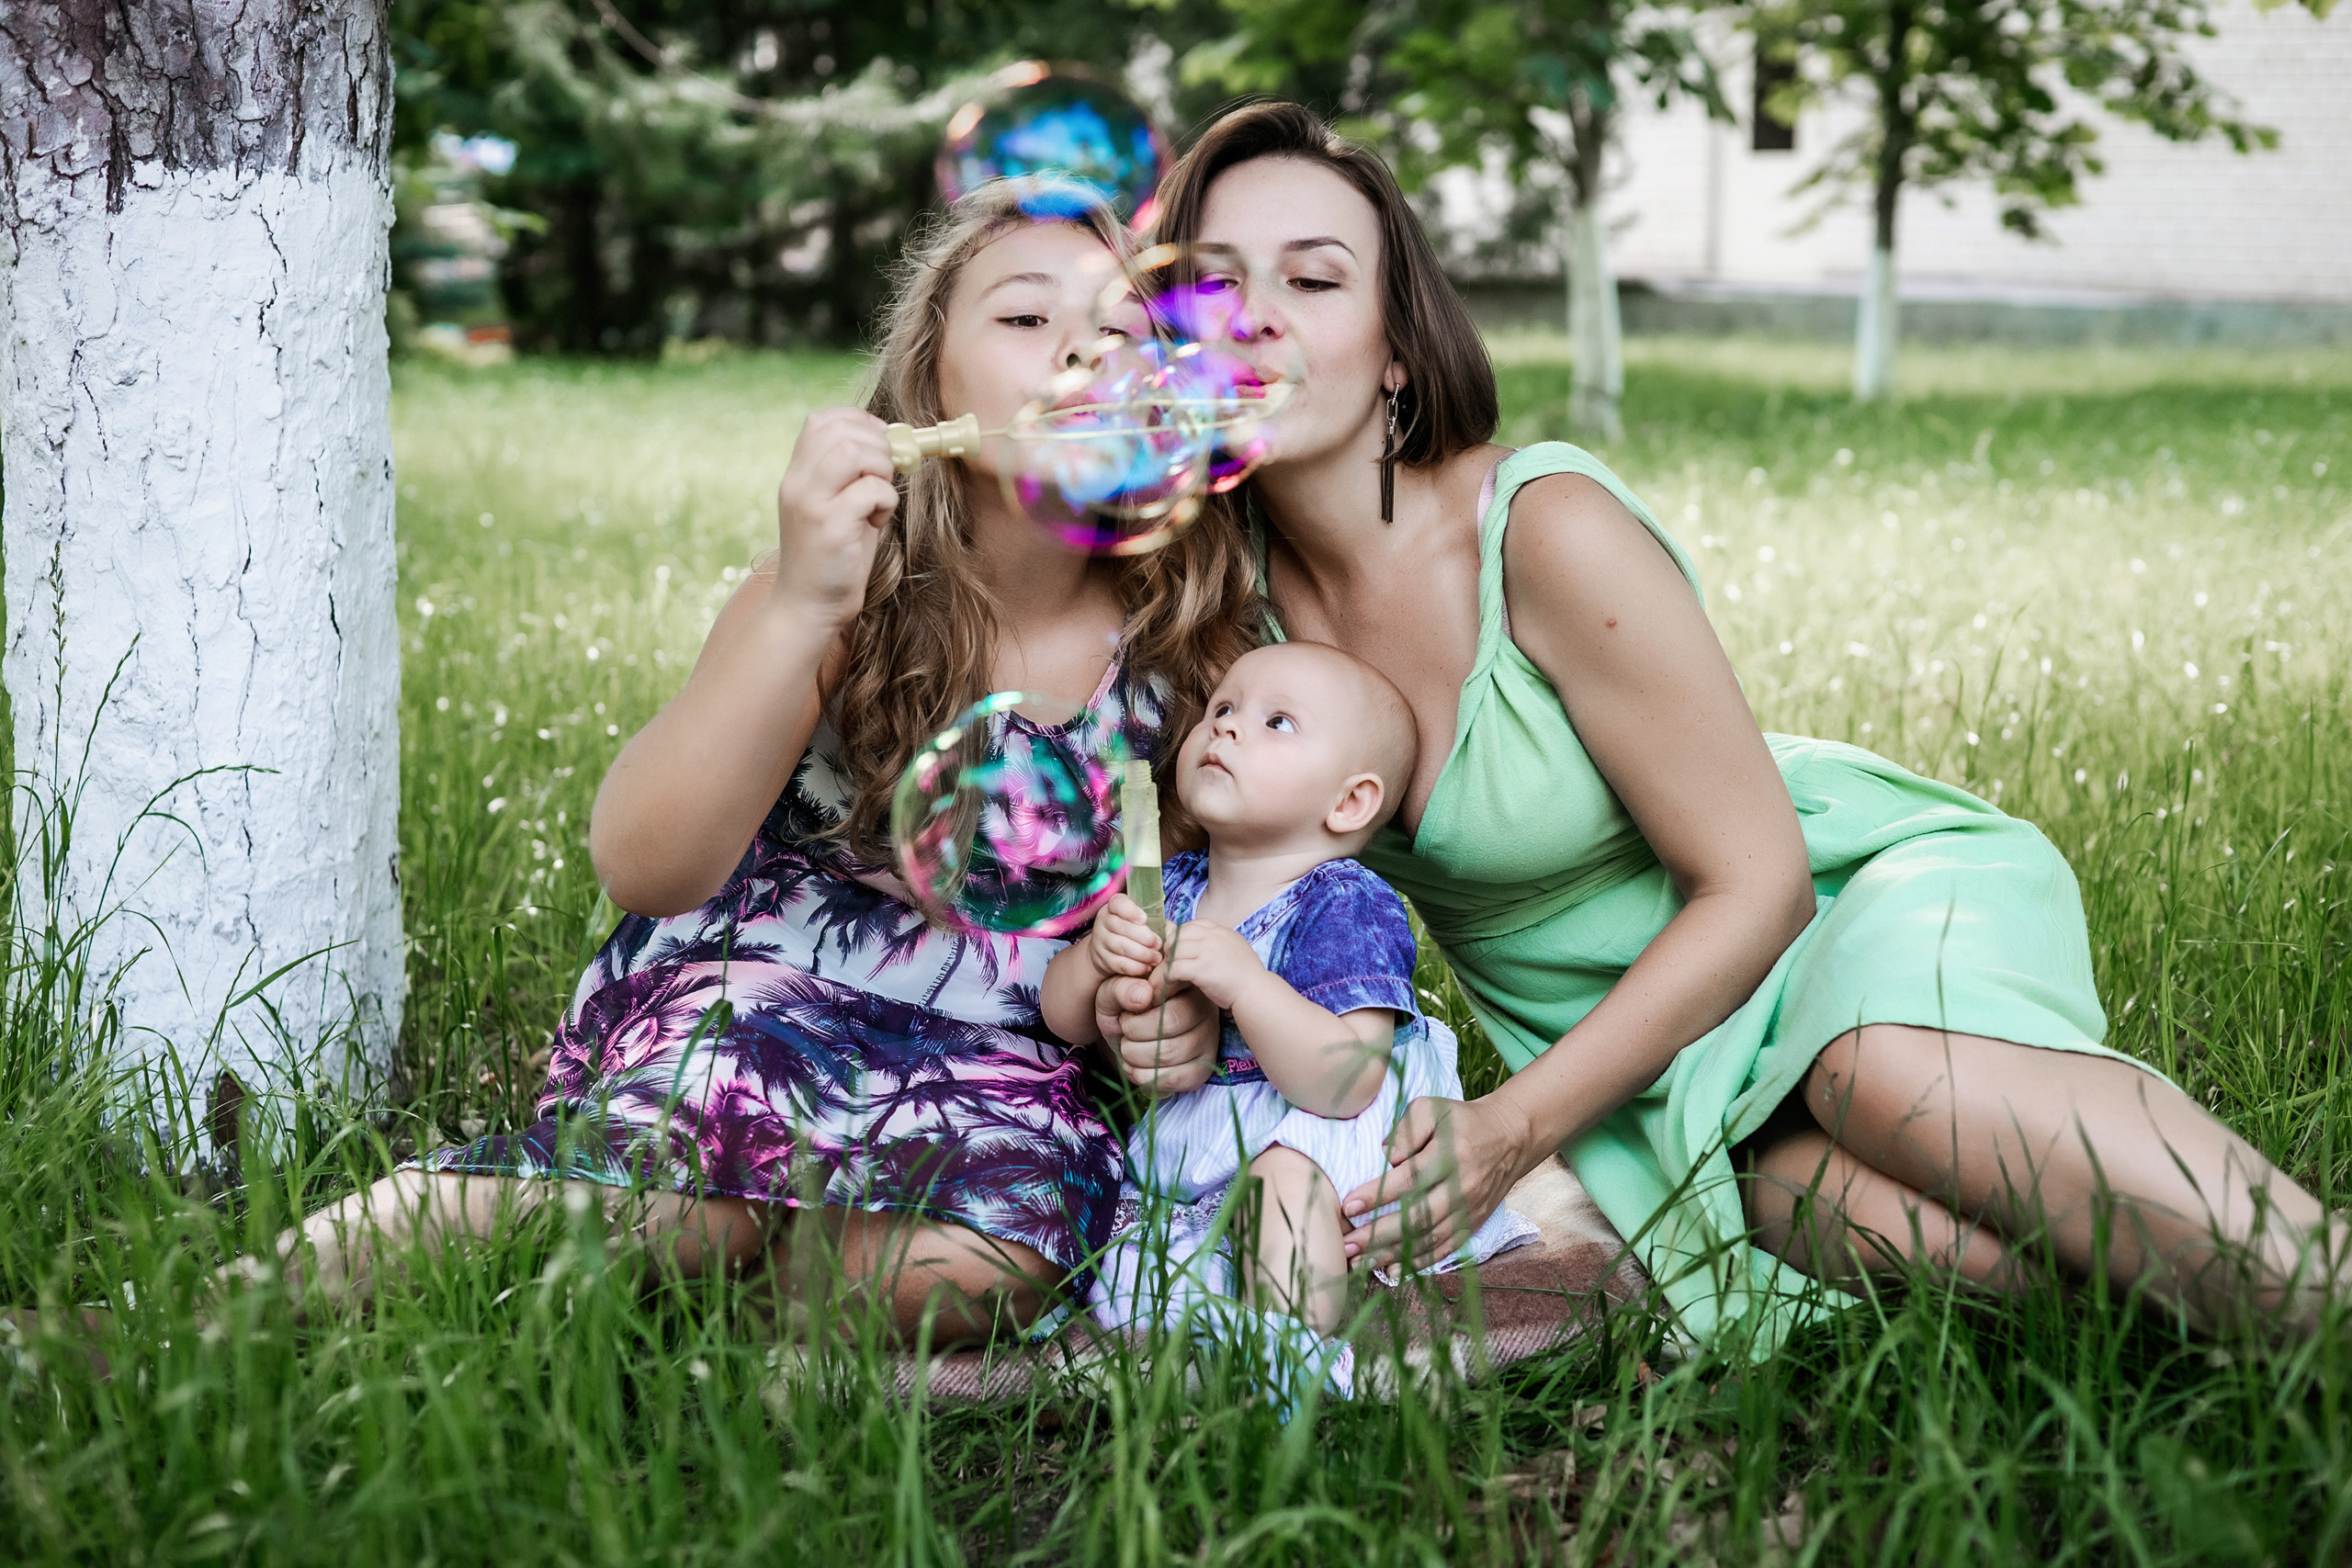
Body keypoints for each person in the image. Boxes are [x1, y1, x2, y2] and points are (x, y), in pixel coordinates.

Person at [1097, 101, 2344, 1345]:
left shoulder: (1543, 529)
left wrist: (1516, 1123)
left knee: (1878, 1074)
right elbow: (1180, 862)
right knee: (1830, 1210)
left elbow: (1759, 882)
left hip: (1824, 906)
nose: (1252, 315)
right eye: (1208, 287)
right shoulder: (1215, 615)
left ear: (1396, 352)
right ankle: (2238, 1338)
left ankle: (2318, 1283)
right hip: (1648, 1058)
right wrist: (1155, 1007)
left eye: (1313, 278)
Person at [235, 177, 1262, 1343]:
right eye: (1028, 320)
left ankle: (713, 1281)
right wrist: (802, 608)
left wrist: (1148, 1005)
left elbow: (1148, 910)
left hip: (1006, 1050)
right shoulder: (839, 591)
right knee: (686, 1195)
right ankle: (214, 1312)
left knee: (966, 1274)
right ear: (932, 387)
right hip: (759, 993)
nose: (1084, 355)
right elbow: (646, 863)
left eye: (1127, 336)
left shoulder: (1182, 657)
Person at [1042, 642, 1532, 1365]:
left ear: (1350, 801)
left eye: (1277, 722)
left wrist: (1246, 985)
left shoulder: (1345, 902)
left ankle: (1290, 1344)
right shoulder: (1170, 885)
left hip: (1332, 1132)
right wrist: (1094, 960)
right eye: (1223, 709)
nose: (1227, 728)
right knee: (1123, 1261)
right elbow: (1061, 1018)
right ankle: (1205, 1317)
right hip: (1216, 1128)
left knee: (1281, 1184)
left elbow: (1346, 1080)